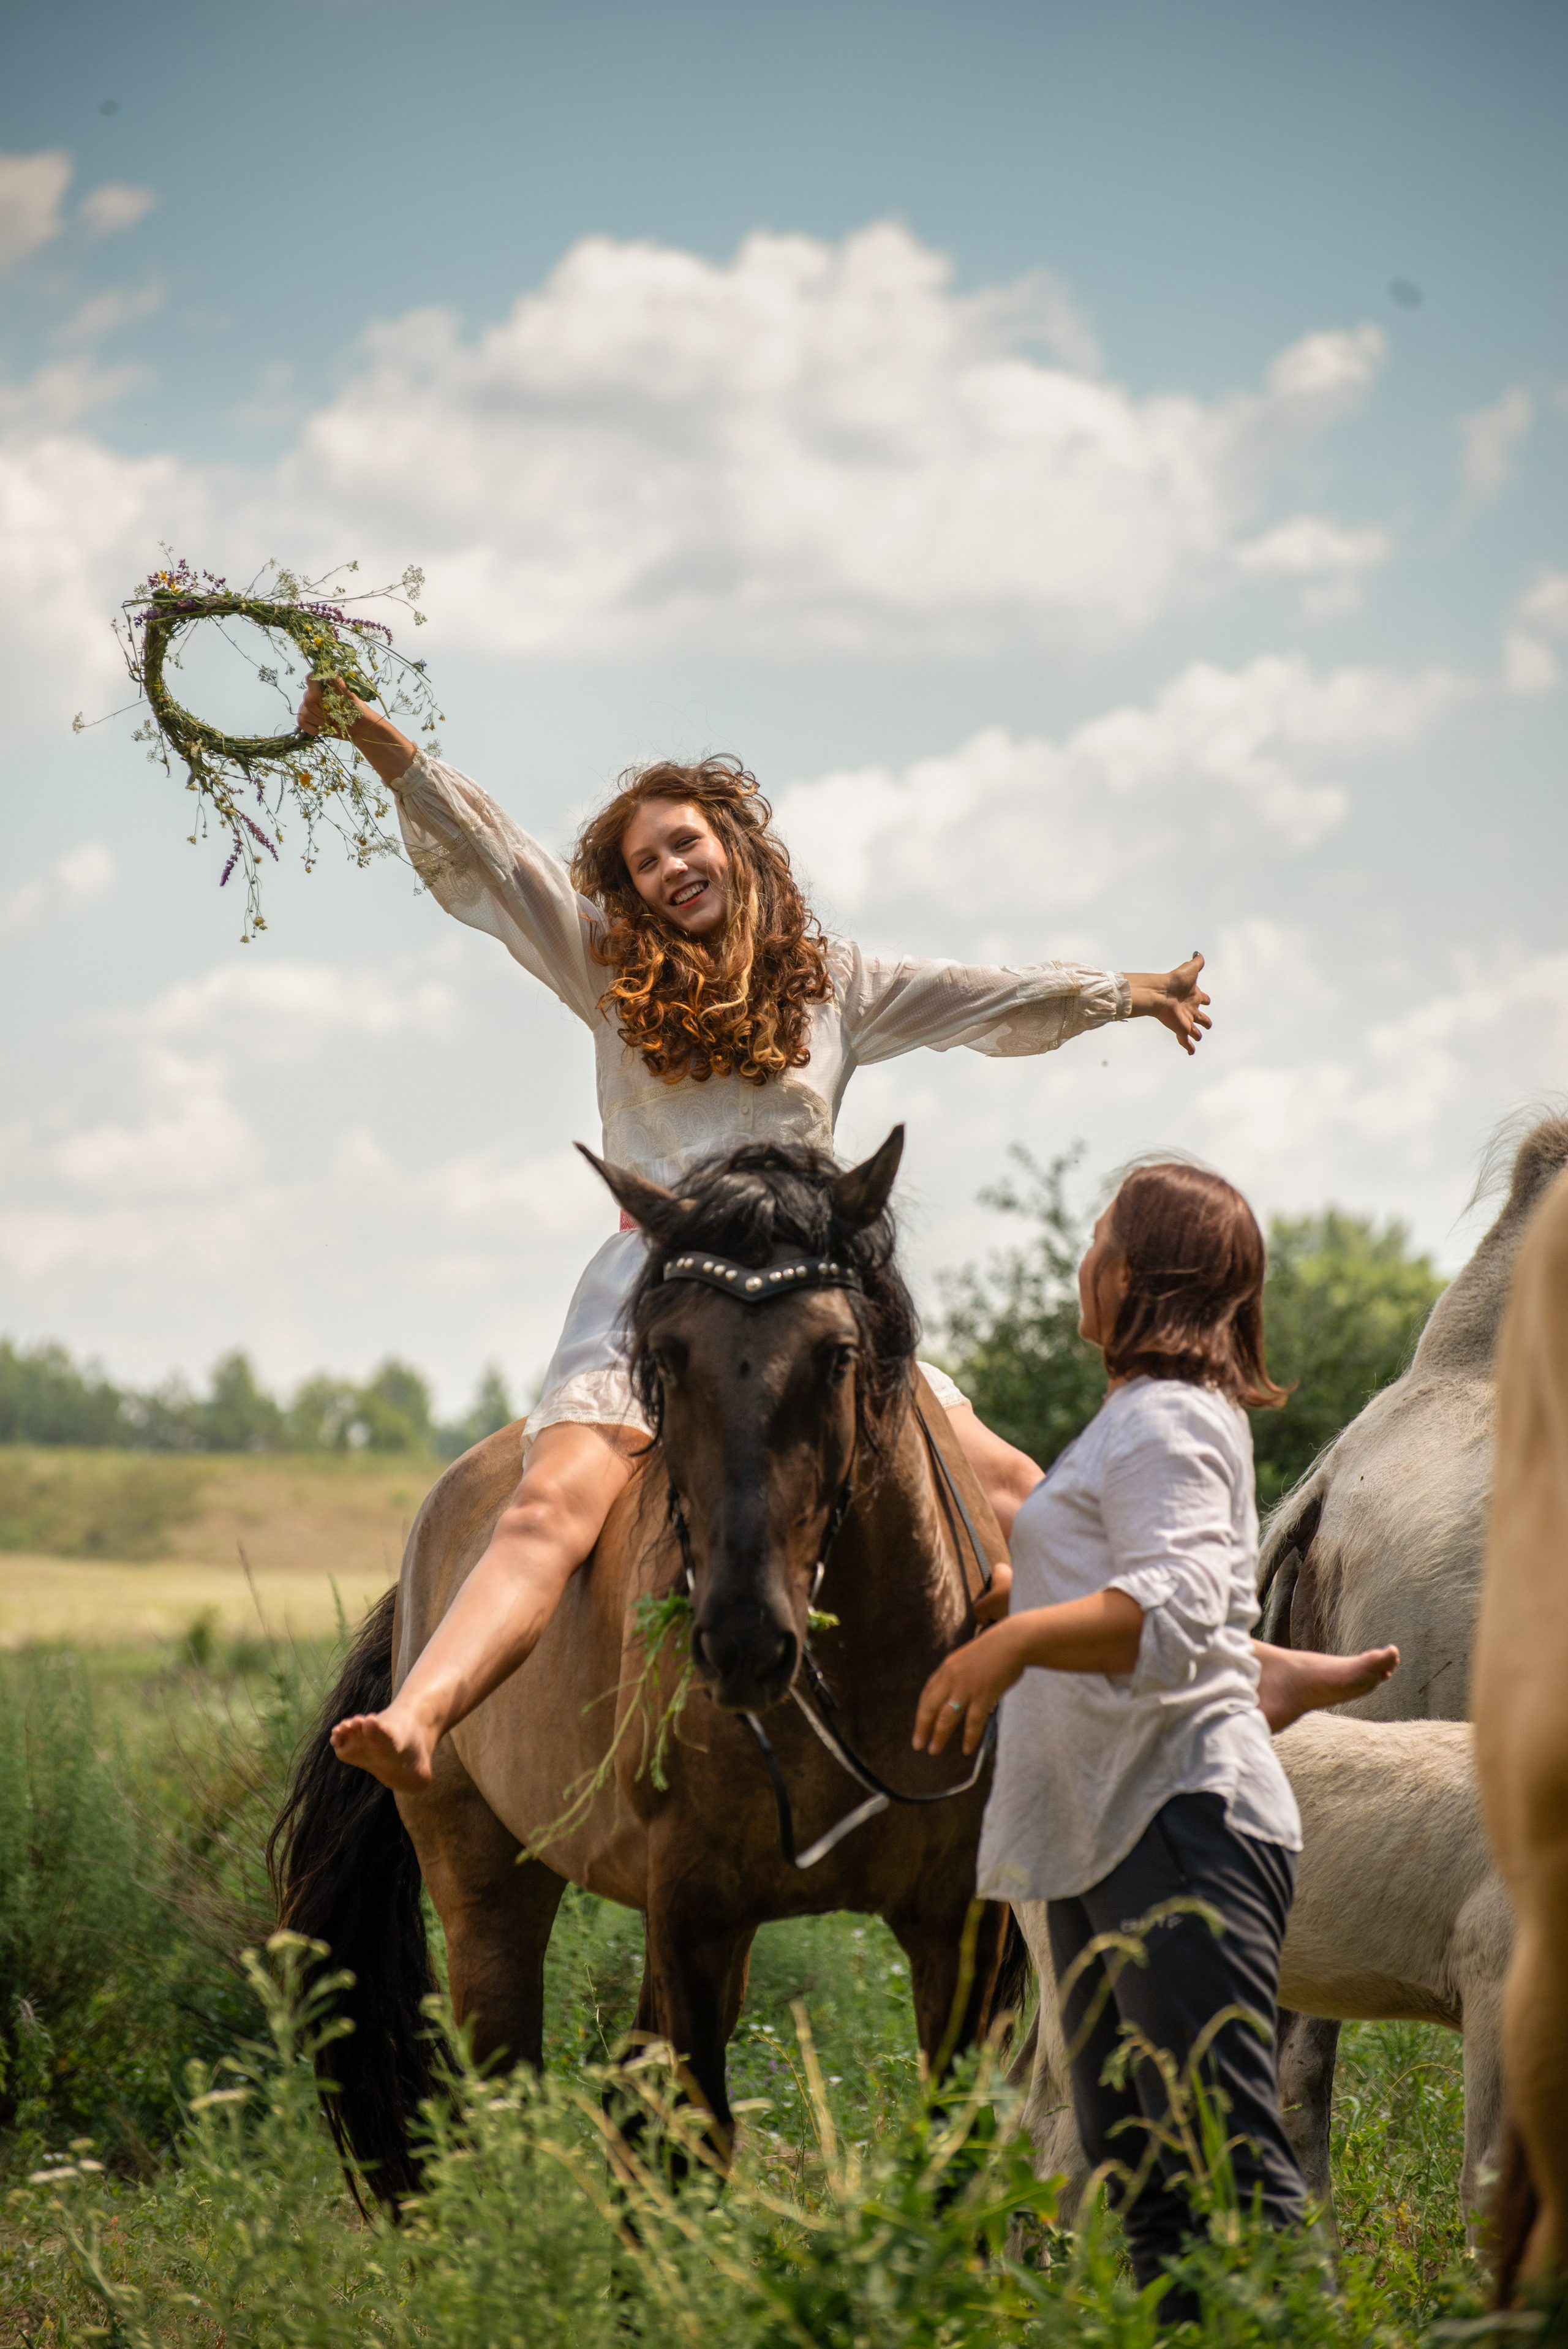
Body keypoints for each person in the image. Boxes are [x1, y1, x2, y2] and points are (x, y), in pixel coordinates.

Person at [296, 679, 1210, 1794]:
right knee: (546, 1508)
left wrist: (1131, 992)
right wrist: (379, 739)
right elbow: (500, 865)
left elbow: (989, 1000)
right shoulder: (604, 969)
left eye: (687, 843)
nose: (673, 870)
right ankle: (422, 1716)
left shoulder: (839, 984)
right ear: (629, 889)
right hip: (664, 1286)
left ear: (734, 846)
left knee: (1017, 1490)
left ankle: (1158, 1701)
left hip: (811, 1296)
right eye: (646, 862)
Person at [914, 1161, 1398, 2320]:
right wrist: (1014, 1603)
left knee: (1223, 2152)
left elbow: (1173, 1613)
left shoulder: (1171, 1422)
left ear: (1138, 1277)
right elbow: (1156, 1596)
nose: (1085, 1263)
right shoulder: (1137, 1421)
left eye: (1098, 1242)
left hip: (1180, 1827)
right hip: (1113, 1830)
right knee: (1143, 2172)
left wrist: (1010, 1647)